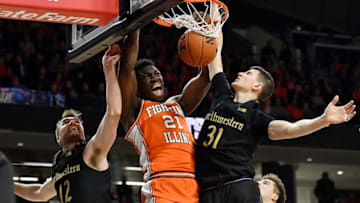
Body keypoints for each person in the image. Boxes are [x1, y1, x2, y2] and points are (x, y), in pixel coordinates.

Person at [195, 28, 357, 203]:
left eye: (248, 73)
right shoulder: (222, 97)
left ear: (257, 86)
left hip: (237, 186)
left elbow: (292, 128)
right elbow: (215, 57)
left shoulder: (257, 117)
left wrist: (323, 120)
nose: (240, 73)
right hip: (207, 189)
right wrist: (214, 25)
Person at [14, 45, 123, 202]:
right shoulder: (60, 163)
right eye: (66, 122)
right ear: (58, 137)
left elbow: (114, 113)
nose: (73, 123)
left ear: (84, 134)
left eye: (77, 122)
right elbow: (38, 193)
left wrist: (108, 69)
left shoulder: (91, 151)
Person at [117, 30, 210, 202]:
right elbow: (126, 68)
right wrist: (136, 24)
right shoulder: (134, 108)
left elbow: (206, 76)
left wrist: (207, 31)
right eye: (147, 76)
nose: (154, 78)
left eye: (157, 74)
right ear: (136, 85)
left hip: (192, 186)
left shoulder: (177, 104)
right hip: (161, 186)